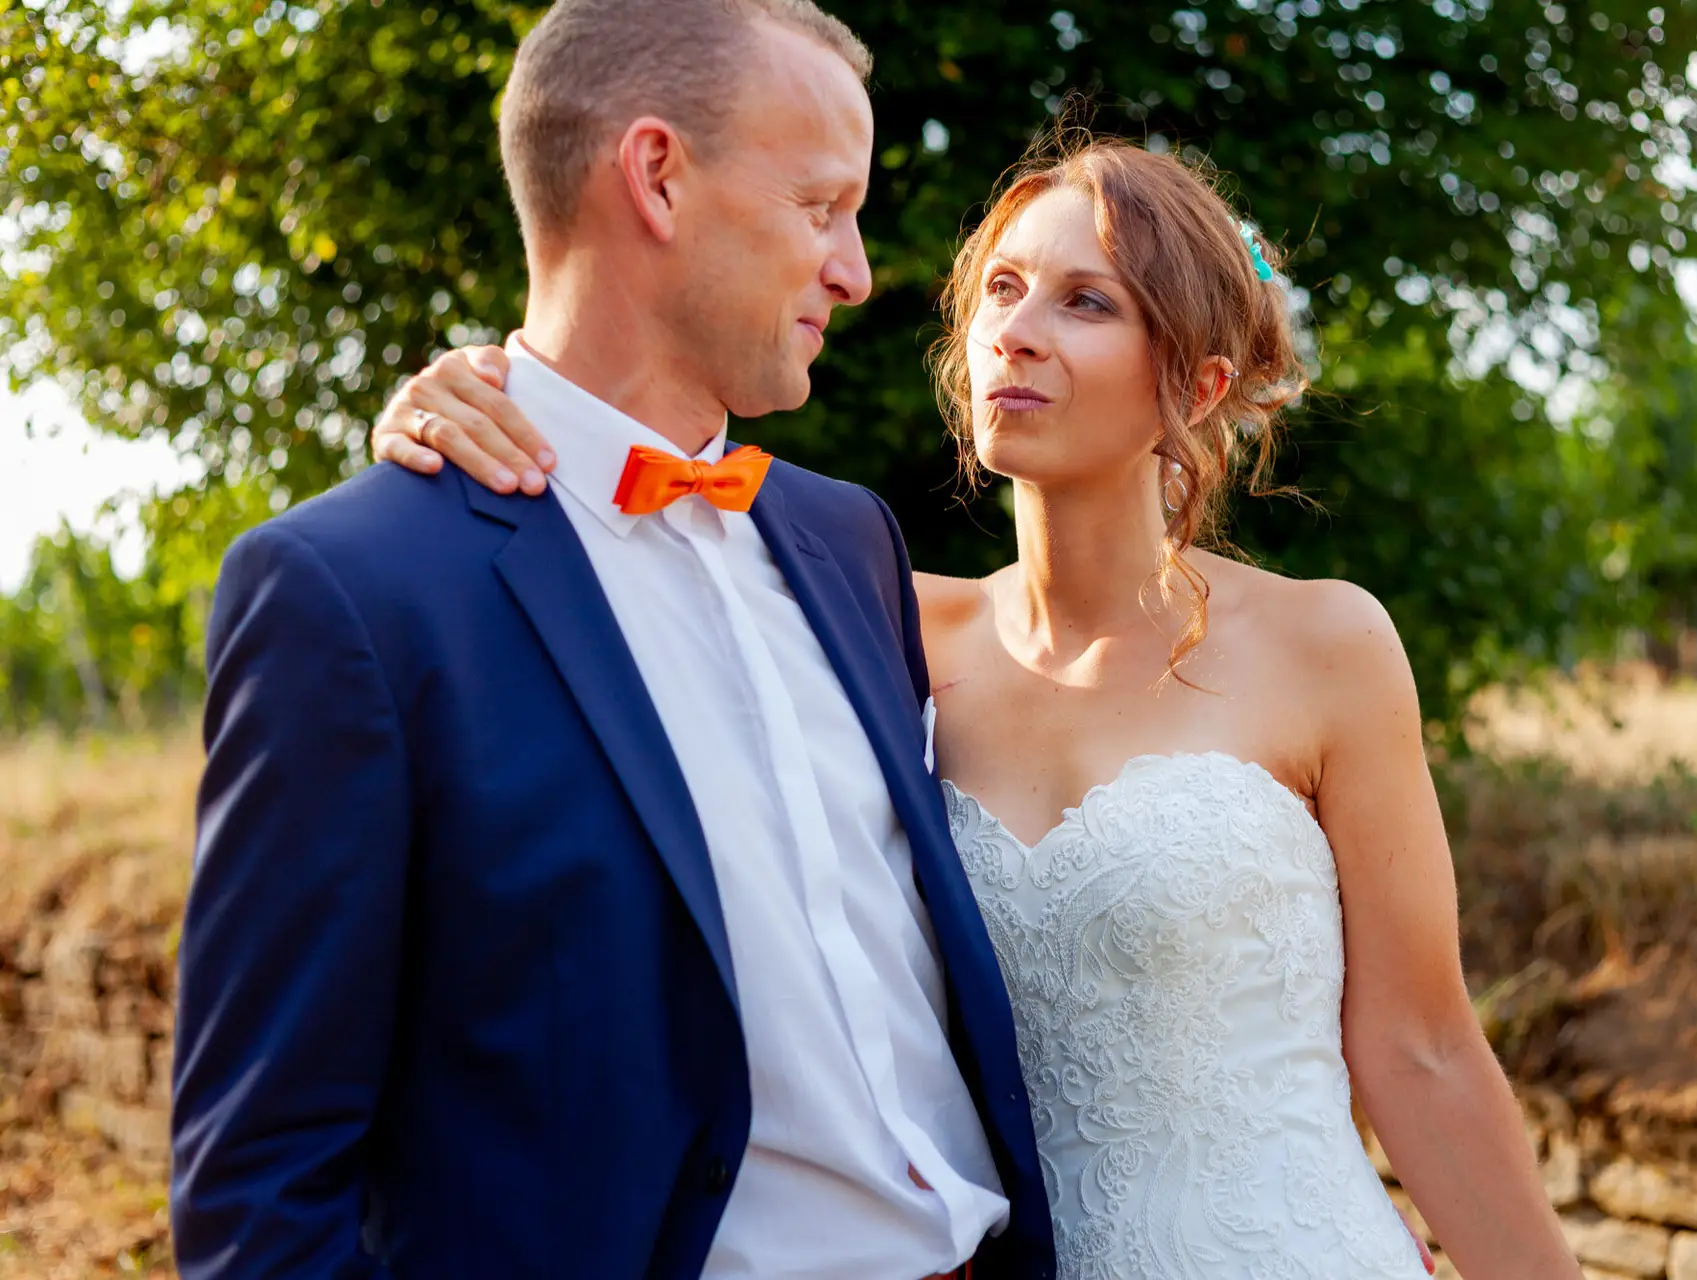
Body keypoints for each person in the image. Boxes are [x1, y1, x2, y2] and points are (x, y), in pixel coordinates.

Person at [374, 130, 1586, 1274]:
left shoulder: (1329, 642)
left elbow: (1420, 1051)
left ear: (1202, 382)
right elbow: (619, 552)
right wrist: (458, 393)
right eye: (1002, 289)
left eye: (1087, 301)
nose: (1017, 331)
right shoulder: (875, 621)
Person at [168, 1, 1055, 1276]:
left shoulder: (848, 540)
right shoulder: (350, 593)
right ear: (657, 176)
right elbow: (261, 1181)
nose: (856, 271)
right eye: (821, 207)